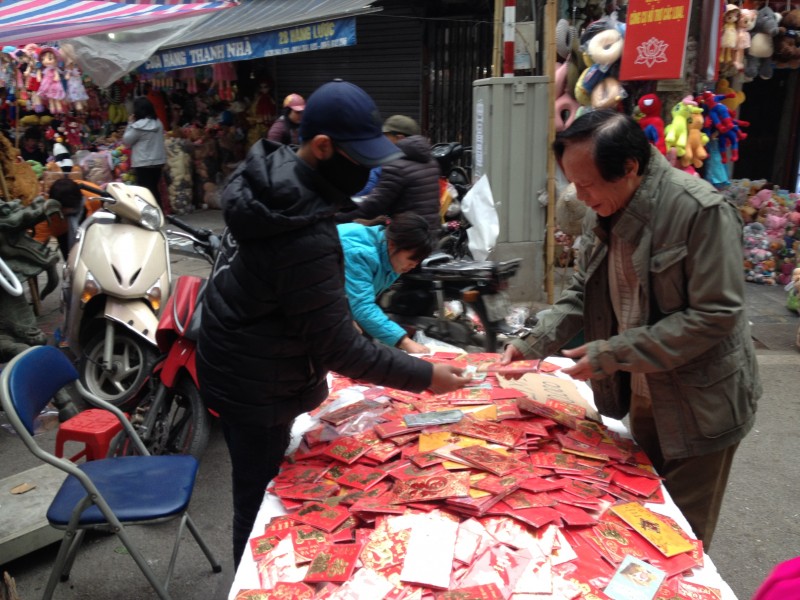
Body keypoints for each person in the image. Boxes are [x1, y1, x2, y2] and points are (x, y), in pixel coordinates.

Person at [196, 79, 471, 568]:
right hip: (253, 380)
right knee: (258, 505)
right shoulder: (302, 229)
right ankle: (250, 581)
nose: (368, 171)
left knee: (264, 491)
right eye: (360, 159)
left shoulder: (276, 179)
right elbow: (339, 346)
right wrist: (426, 376)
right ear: (322, 147)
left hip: (242, 357)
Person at [501, 109, 761, 549]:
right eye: (573, 183)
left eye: (587, 185)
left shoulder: (698, 211)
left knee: (677, 543)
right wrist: (532, 341)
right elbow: (584, 292)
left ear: (630, 168)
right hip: (643, 392)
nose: (580, 196)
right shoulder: (601, 210)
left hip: (702, 404)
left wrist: (611, 353)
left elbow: (715, 315)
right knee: (636, 517)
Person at [339, 212, 433, 355]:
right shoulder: (359, 252)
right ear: (392, 244)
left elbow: (359, 300)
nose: (414, 265)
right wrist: (405, 341)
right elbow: (362, 306)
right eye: (411, 258)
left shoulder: (393, 258)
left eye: (418, 260)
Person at [336, 114, 442, 232]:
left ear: (400, 138)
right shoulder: (430, 160)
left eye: (386, 137)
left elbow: (375, 205)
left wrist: (340, 218)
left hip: (407, 237)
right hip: (431, 233)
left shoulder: (396, 165)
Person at [122, 96, 166, 206]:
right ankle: (158, 212)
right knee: (154, 188)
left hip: (143, 162)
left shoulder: (137, 126)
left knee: (145, 190)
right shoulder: (158, 123)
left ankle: (152, 215)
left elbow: (127, 141)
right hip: (158, 161)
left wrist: (130, 124)